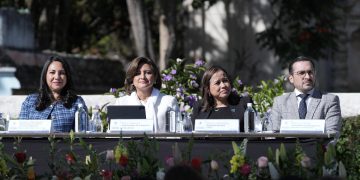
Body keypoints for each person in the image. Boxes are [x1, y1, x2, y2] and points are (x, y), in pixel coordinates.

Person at [270, 56, 341, 133]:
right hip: (287, 145)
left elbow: (332, 134)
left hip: (317, 145)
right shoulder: (280, 102)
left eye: (310, 72)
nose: (307, 77)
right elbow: (274, 133)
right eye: (301, 73)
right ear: (291, 78)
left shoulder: (329, 100)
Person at [19, 56, 87, 132]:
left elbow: (82, 135)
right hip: (32, 144)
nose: (57, 77)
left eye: (62, 73)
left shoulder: (77, 103)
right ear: (45, 75)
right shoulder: (30, 101)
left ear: (67, 76)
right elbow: (19, 133)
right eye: (52, 72)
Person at [114, 57, 179, 132]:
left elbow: (176, 134)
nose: (142, 77)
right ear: (132, 79)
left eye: (148, 72)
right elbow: (114, 134)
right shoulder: (121, 103)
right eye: (137, 73)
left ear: (155, 77)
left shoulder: (169, 101)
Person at [191, 66, 252, 132]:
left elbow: (254, 133)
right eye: (217, 83)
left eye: (225, 80)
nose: (223, 85)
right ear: (208, 89)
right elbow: (192, 136)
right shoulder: (199, 108)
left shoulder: (244, 104)